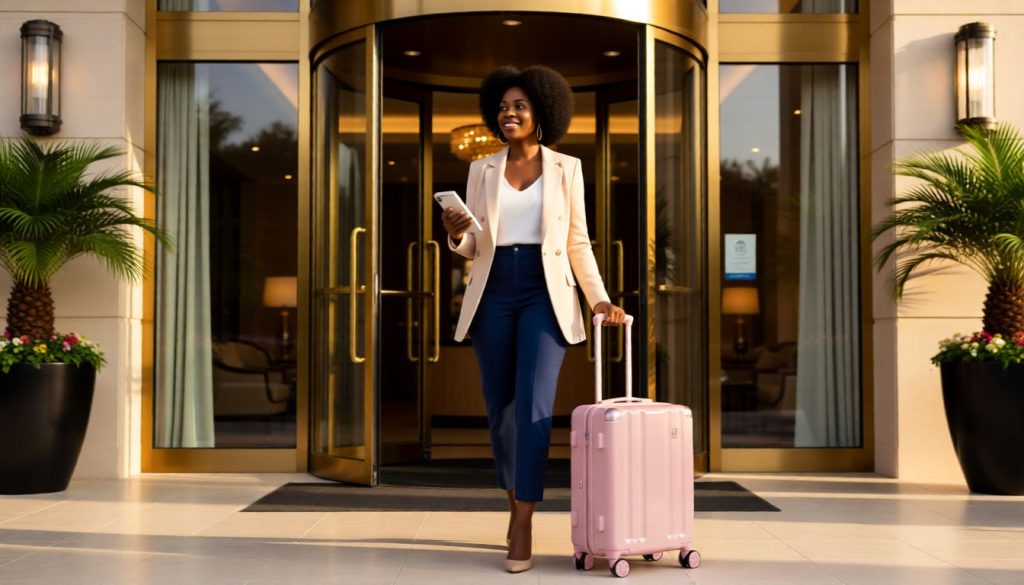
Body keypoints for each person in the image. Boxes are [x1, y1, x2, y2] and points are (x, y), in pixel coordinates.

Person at [441, 65, 626, 573]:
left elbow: (578, 241)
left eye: (519, 106)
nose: (509, 114)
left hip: (546, 294)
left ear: (542, 110)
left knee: (535, 405)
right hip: (494, 286)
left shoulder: (567, 168)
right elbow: (474, 244)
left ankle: (524, 518)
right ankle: (512, 500)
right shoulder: (482, 169)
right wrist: (456, 233)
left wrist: (599, 299)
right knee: (499, 407)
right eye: (502, 107)